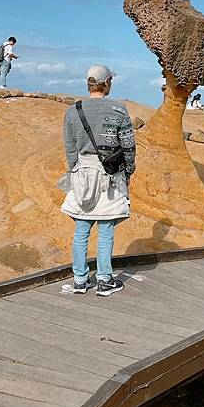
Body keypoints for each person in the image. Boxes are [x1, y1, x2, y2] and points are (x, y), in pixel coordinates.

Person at [60, 64, 136, 296]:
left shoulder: (74, 110)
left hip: (82, 173)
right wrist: (129, 171)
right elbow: (128, 146)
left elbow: (70, 147)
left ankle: (80, 280)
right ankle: (104, 280)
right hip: (109, 175)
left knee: (82, 229)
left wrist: (75, 171)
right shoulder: (118, 109)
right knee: (105, 228)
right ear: (107, 83)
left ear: (89, 84)